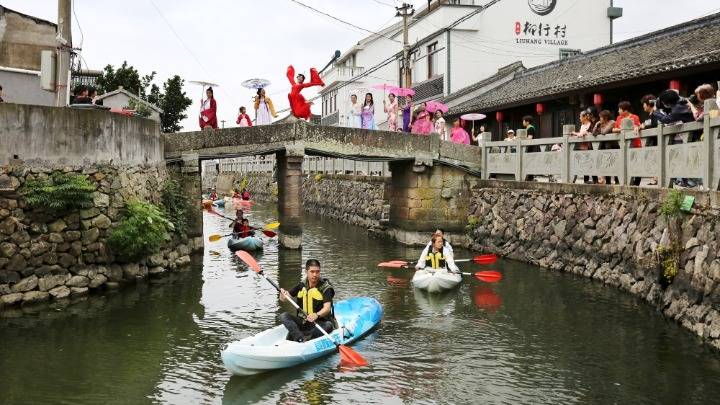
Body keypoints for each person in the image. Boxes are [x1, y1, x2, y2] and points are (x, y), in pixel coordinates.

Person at [280, 259, 336, 342]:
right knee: (284, 316)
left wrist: (316, 315)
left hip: (320, 323)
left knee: (328, 325)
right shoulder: (302, 285)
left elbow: (327, 308)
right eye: (312, 271)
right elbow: (284, 299)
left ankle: (307, 337)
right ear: (306, 272)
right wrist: (282, 293)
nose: (315, 274)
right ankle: (300, 338)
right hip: (304, 322)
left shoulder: (326, 288)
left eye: (317, 272)